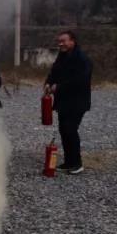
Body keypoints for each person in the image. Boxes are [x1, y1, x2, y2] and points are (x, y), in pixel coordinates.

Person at [45, 30, 92, 174]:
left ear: (73, 41)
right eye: (59, 41)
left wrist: (58, 87)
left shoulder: (82, 59)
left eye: (64, 41)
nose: (61, 44)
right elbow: (54, 72)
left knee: (70, 130)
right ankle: (68, 162)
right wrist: (48, 83)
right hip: (63, 102)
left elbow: (80, 81)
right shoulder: (62, 56)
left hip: (77, 101)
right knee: (64, 130)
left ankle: (77, 164)